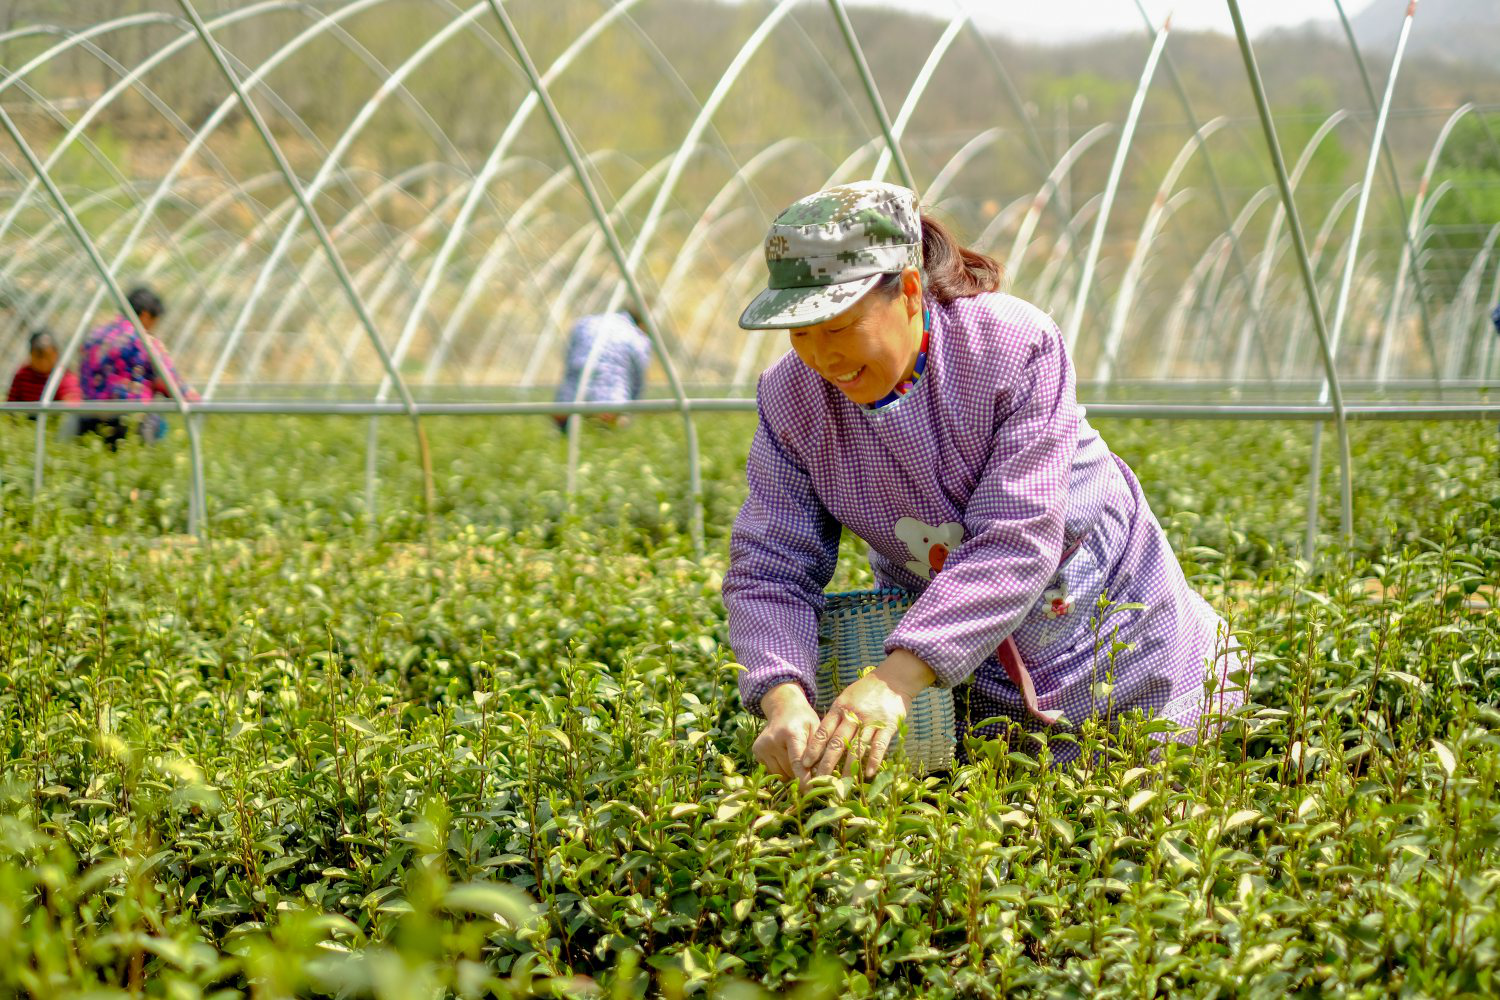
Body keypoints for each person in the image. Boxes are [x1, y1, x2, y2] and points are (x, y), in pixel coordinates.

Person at [722, 181, 1242, 784]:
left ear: (909, 291)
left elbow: (1017, 535)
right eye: (800, 333)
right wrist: (782, 694)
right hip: (959, 661)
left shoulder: (1010, 346)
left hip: (1112, 635)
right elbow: (770, 565)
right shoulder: (792, 399)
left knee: (1148, 804)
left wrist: (892, 681)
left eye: (839, 328)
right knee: (1009, 827)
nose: (822, 357)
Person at [79, 286, 195, 449]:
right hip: (129, 424)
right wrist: (195, 401)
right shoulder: (144, 342)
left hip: (87, 420)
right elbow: (170, 383)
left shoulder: (94, 337)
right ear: (146, 315)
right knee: (158, 424)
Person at [553, 306, 653, 429]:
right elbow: (639, 379)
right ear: (643, 324)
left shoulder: (584, 323)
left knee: (567, 437)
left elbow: (569, 358)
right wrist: (631, 411)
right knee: (609, 435)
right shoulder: (635, 336)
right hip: (608, 406)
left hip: (568, 401)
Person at [8, 329, 82, 405]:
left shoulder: (64, 376)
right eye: (38, 357)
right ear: (30, 355)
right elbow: (11, 403)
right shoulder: (22, 375)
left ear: (56, 354)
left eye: (48, 357)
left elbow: (72, 402)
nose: (43, 363)